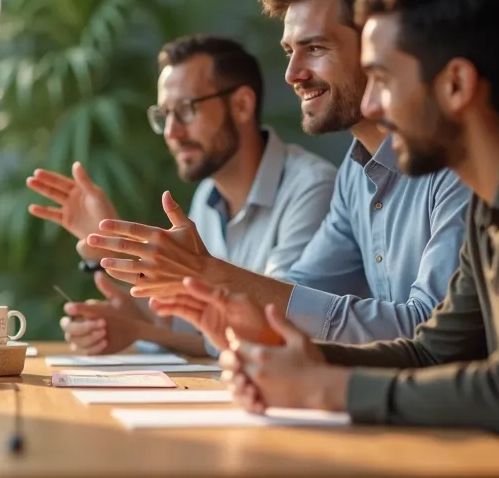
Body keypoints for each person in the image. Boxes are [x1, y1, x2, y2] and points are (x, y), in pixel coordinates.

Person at [165, 0, 499, 477]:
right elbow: (433, 352)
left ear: (456, 85)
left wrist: (324, 387)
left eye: (382, 78)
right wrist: (299, 361)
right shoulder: (492, 195)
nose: (372, 105)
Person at [90, 0, 472, 346]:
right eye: (291, 51)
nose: (292, 74)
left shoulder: (456, 166)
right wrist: (202, 283)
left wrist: (211, 274)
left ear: (376, 49)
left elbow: (432, 334)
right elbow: (289, 299)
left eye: (316, 47)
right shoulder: (353, 176)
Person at [27, 35, 334, 356]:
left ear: (242, 105)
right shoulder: (207, 197)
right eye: (164, 115)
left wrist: (138, 331)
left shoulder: (311, 188)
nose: (172, 132)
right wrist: (103, 241)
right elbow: (187, 320)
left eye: (186, 110)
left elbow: (277, 328)